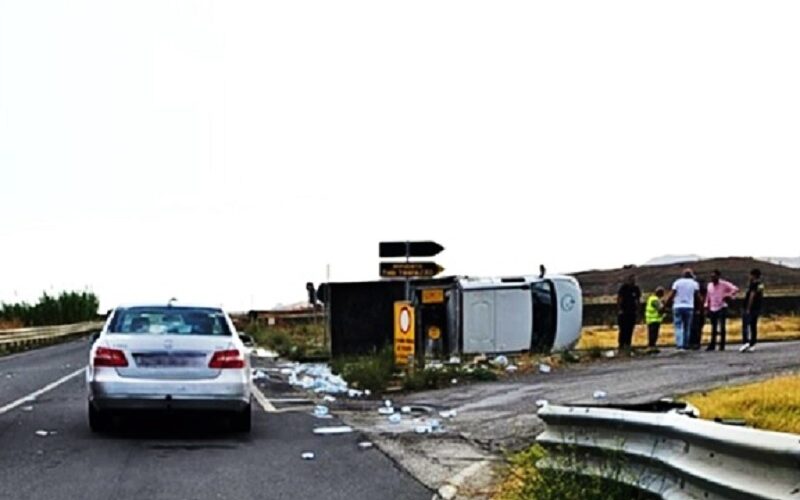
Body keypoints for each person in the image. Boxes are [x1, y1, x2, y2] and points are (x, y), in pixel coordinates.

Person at [663, 269, 700, 350]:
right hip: (689, 306)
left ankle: (680, 344)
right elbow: (697, 296)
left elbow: (672, 294)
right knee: (687, 327)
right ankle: (686, 344)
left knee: (678, 326)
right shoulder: (694, 284)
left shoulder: (677, 282)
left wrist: (665, 305)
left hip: (677, 306)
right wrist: (700, 307)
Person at [705, 269, 739, 351]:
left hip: (721, 307)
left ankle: (722, 345)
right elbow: (708, 296)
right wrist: (706, 304)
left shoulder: (724, 284)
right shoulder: (709, 285)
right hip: (713, 307)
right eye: (711, 277)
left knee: (722, 326)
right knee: (713, 327)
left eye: (714, 276)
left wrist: (727, 295)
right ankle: (712, 344)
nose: (712, 278)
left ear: (718, 276)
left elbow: (735, 289)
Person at [740, 268, 765, 353]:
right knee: (753, 326)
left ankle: (745, 342)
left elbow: (752, 296)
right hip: (757, 308)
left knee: (745, 325)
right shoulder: (761, 285)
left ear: (753, 275)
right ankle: (752, 344)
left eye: (750, 275)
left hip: (750, 308)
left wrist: (748, 308)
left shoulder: (753, 285)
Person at [616, 274, 641, 350]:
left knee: (630, 328)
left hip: (632, 312)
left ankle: (628, 344)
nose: (633, 281)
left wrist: (638, 310)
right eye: (631, 279)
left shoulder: (636, 289)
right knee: (623, 329)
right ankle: (621, 344)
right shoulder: (624, 288)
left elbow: (637, 300)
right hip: (624, 312)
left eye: (634, 279)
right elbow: (619, 299)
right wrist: (619, 309)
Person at [689, 280, 707, 350]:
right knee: (698, 328)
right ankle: (696, 342)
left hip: (696, 311)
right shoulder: (703, 295)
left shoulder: (695, 295)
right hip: (700, 312)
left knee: (694, 327)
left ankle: (693, 342)